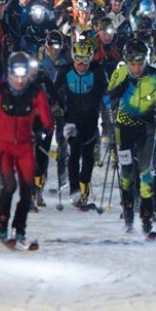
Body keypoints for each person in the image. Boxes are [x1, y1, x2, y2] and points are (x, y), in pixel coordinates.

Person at [0, 51, 54, 246]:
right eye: (15, 76)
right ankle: (2, 223)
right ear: (9, 74)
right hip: (5, 148)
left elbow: (47, 122)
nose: (19, 81)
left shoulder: (36, 92)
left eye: (23, 76)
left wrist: (41, 134)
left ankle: (20, 228)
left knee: (27, 189)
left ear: (29, 75)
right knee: (9, 186)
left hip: (25, 148)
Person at [107, 38, 156, 236]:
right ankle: (128, 213)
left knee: (146, 171)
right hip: (124, 129)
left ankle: (147, 218)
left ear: (146, 60)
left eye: (140, 63)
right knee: (126, 173)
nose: (136, 68)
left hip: (147, 128)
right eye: (132, 64)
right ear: (127, 61)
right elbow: (107, 97)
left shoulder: (155, 74)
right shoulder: (119, 74)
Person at [54, 38, 108, 208]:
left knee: (88, 156)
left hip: (91, 120)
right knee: (74, 153)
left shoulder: (97, 71)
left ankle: (84, 185)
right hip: (71, 120)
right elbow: (55, 92)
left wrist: (110, 108)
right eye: (78, 59)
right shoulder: (65, 71)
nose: (81, 64)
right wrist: (56, 107)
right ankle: (75, 191)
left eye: (85, 59)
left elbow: (106, 93)